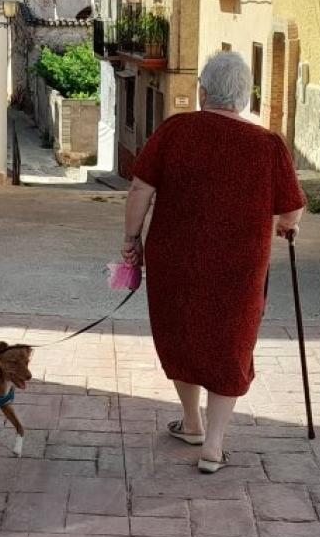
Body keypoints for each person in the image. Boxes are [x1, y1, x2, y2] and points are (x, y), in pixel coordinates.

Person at [120, 50, 305, 472]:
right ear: (243, 97)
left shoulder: (175, 130)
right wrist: (286, 227)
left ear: (203, 91)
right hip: (241, 269)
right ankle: (213, 445)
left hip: (176, 262)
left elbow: (140, 191)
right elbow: (291, 210)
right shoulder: (269, 145)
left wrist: (131, 240)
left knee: (181, 334)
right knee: (231, 345)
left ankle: (191, 421)